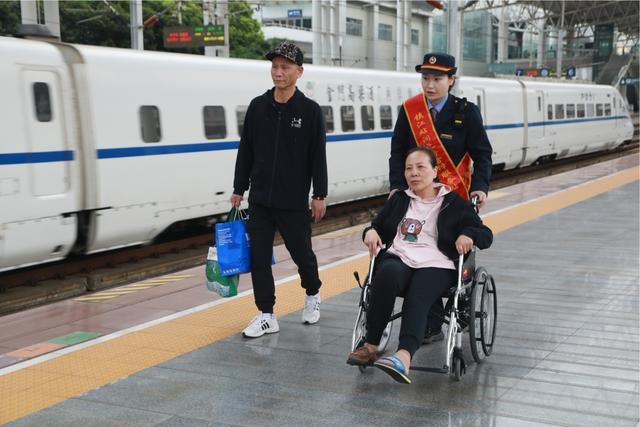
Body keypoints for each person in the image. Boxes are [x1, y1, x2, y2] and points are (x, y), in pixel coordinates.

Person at [347, 147, 492, 384]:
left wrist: (468, 235)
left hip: (437, 264)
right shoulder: (400, 200)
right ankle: (371, 345)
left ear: (435, 171)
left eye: (420, 167)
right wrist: (371, 232)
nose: (413, 173)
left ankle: (403, 356)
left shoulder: (453, 202)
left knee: (419, 291)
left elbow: (484, 233)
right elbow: (376, 226)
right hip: (400, 258)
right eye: (408, 168)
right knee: (385, 275)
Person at [388, 52, 493, 343]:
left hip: (454, 199)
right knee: (417, 249)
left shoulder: (466, 113)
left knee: (447, 249)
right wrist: (397, 185)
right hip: (417, 197)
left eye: (437, 78)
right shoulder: (410, 111)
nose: (430, 84)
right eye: (425, 78)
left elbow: (482, 154)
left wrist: (480, 187)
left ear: (451, 80)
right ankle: (431, 322)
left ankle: (459, 298)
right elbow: (398, 152)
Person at [231, 41, 328, 338]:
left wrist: (319, 194)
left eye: (285, 67)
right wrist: (239, 188)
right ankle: (266, 314)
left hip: (293, 200)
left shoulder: (310, 112)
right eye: (274, 66)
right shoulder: (259, 107)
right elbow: (245, 150)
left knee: (302, 255)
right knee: (258, 258)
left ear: (299, 71)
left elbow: (317, 156)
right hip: (260, 199)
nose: (278, 72)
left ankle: (312, 294)